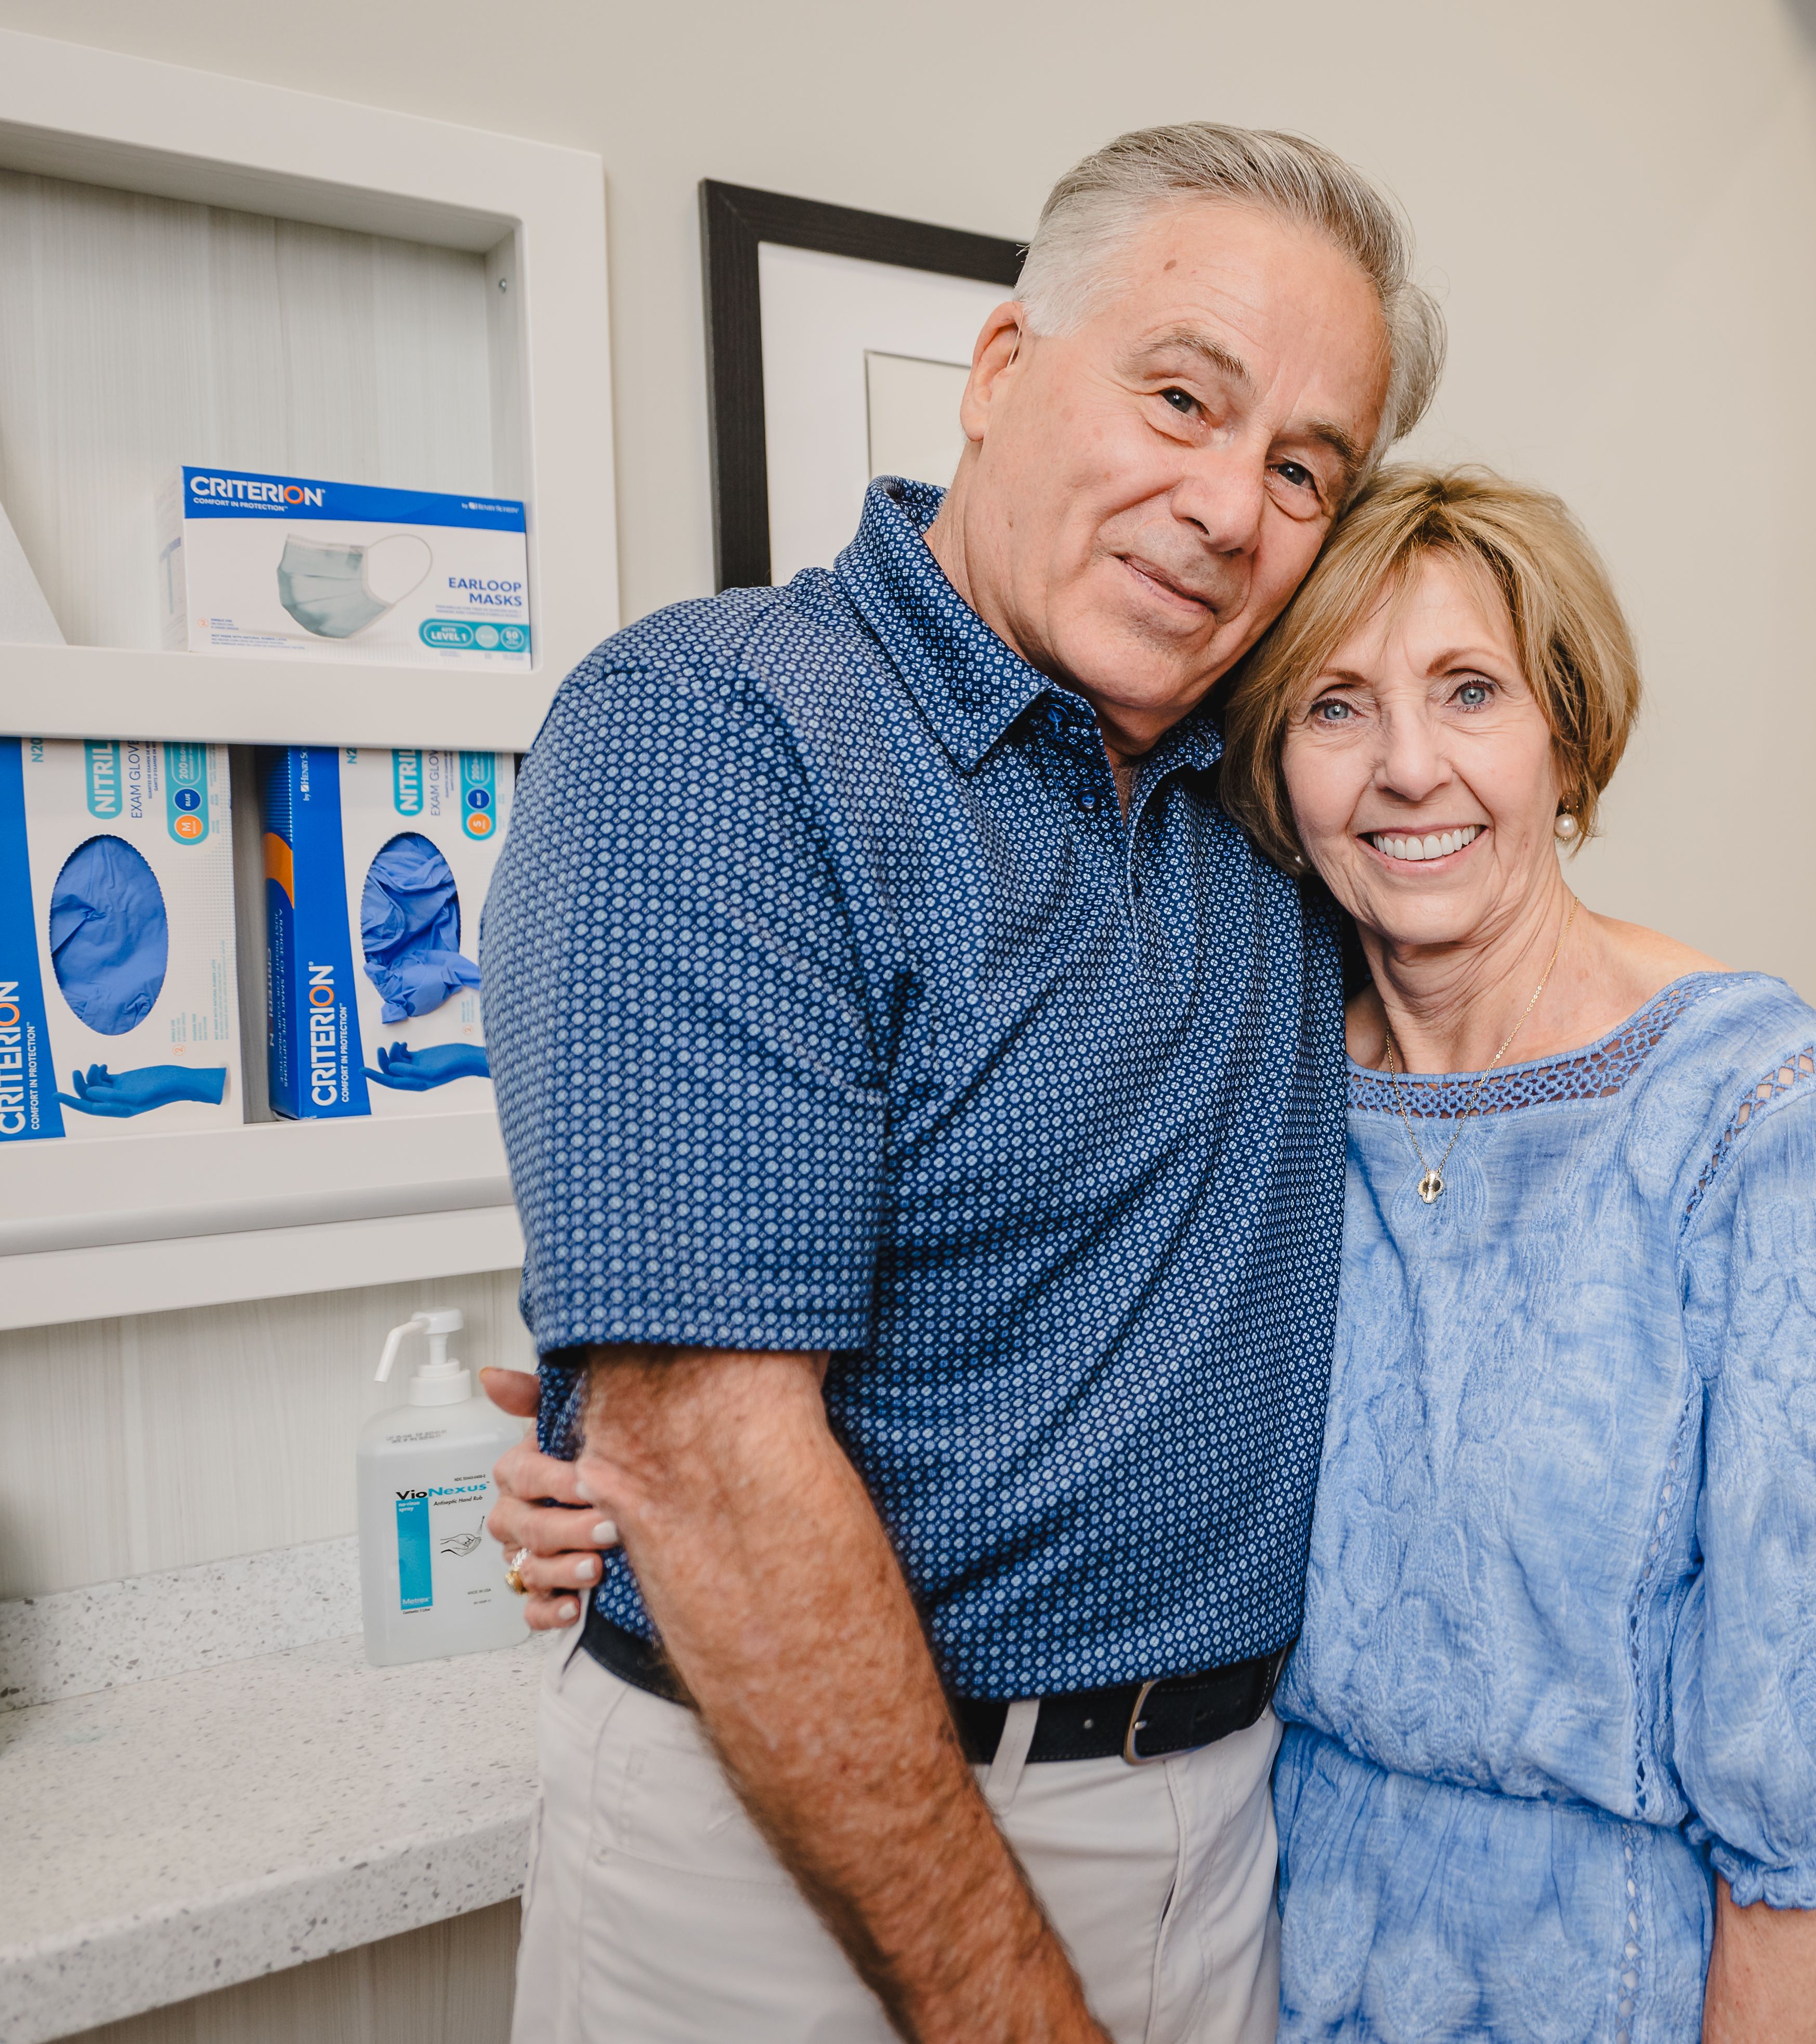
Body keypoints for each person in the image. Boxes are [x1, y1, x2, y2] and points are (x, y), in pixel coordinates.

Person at [475, 124, 1443, 2044]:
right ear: (1001, 373)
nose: (1230, 504)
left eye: (1301, 469)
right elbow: (711, 1458)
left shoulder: (1278, 797)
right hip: (785, 1844)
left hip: (1221, 1821)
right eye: (1183, 395)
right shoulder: (721, 733)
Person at [1216, 466, 1816, 2041]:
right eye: (1337, 707)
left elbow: (1803, 1725)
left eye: (1468, 691)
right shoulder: (1264, 1085)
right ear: (1277, 766)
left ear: (1565, 731)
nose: (1411, 768)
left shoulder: (1753, 1111)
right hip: (1291, 1936)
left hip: (1626, 1967)